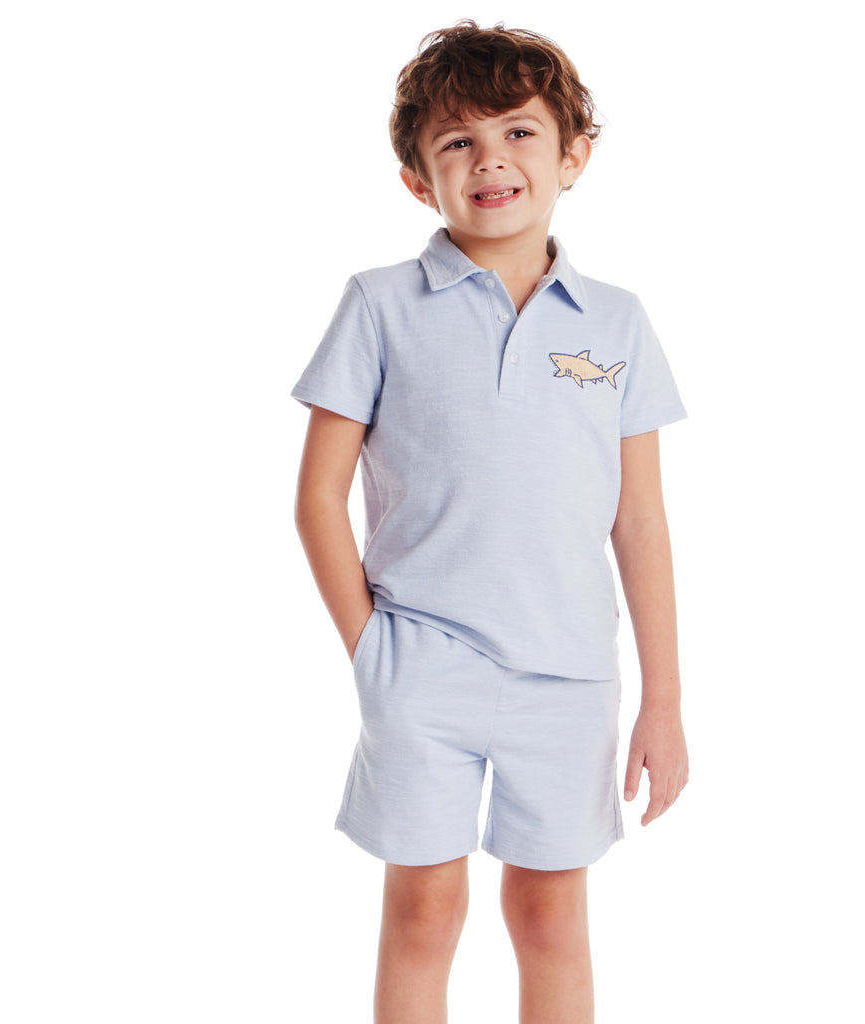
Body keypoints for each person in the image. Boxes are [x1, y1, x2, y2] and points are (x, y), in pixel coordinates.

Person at [292, 20, 689, 1023]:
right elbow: (317, 496)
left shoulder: (617, 321)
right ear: (416, 180)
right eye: (457, 142)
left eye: (517, 132)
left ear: (573, 155)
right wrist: (370, 647)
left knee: (551, 913)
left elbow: (640, 521)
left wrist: (664, 699)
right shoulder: (379, 304)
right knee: (424, 908)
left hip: (569, 674)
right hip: (420, 663)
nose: (490, 160)